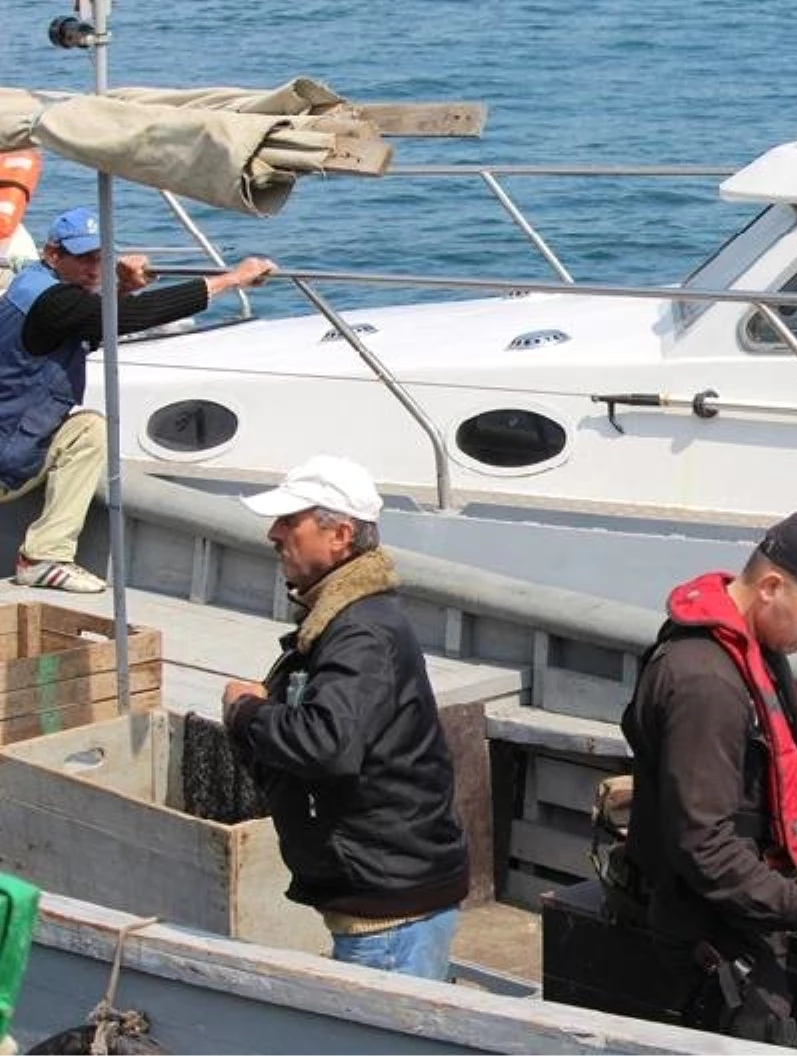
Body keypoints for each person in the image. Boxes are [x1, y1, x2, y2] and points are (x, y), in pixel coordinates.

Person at [620, 511, 797, 1046]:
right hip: (710, 927)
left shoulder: (751, 649)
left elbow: (751, 764)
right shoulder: (705, 681)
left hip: (741, 906)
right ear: (771, 587)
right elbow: (704, 844)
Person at [222, 454, 469, 981]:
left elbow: (327, 743)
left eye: (290, 521)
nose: (273, 533)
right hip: (387, 889)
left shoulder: (360, 632)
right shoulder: (351, 620)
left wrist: (246, 713)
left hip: (388, 909)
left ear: (340, 535)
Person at [0, 205, 275, 593]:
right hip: (6, 458)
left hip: (11, 444)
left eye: (100, 258)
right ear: (52, 254)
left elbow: (90, 323)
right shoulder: (52, 302)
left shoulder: (33, 284)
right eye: (82, 258)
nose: (94, 269)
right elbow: (124, 317)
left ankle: (43, 556)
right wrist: (231, 279)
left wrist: (125, 287)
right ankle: (44, 557)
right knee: (86, 433)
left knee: (88, 430)